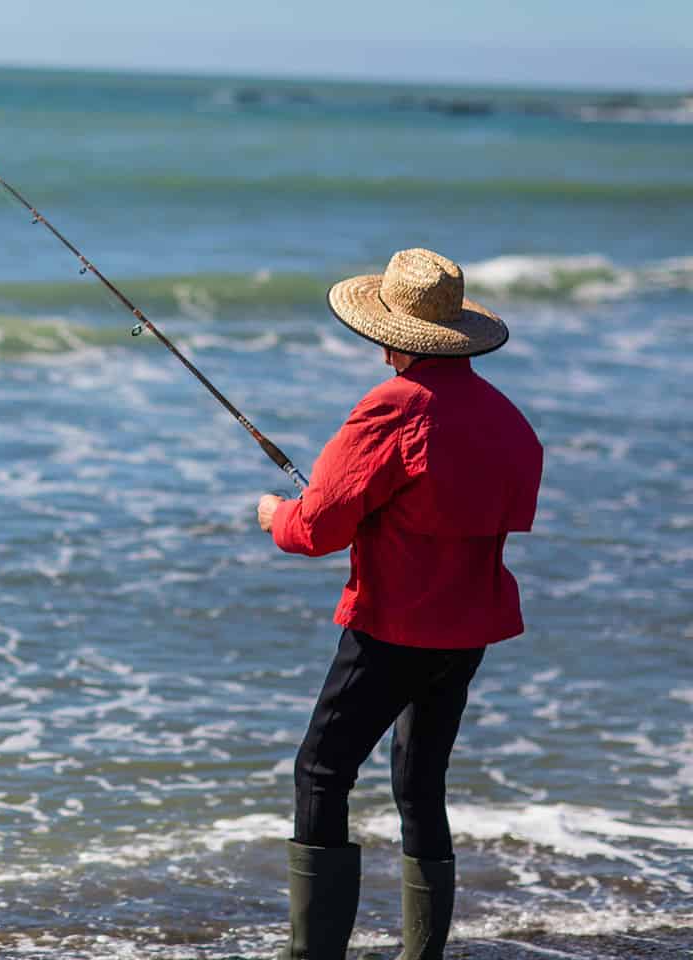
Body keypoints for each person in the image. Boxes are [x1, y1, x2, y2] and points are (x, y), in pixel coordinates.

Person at [255, 248, 543, 959]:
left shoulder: (392, 406)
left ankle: (312, 954)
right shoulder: (507, 417)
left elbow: (317, 531)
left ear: (387, 332)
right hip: (467, 628)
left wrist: (273, 516)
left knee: (321, 772)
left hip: (394, 627)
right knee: (421, 783)